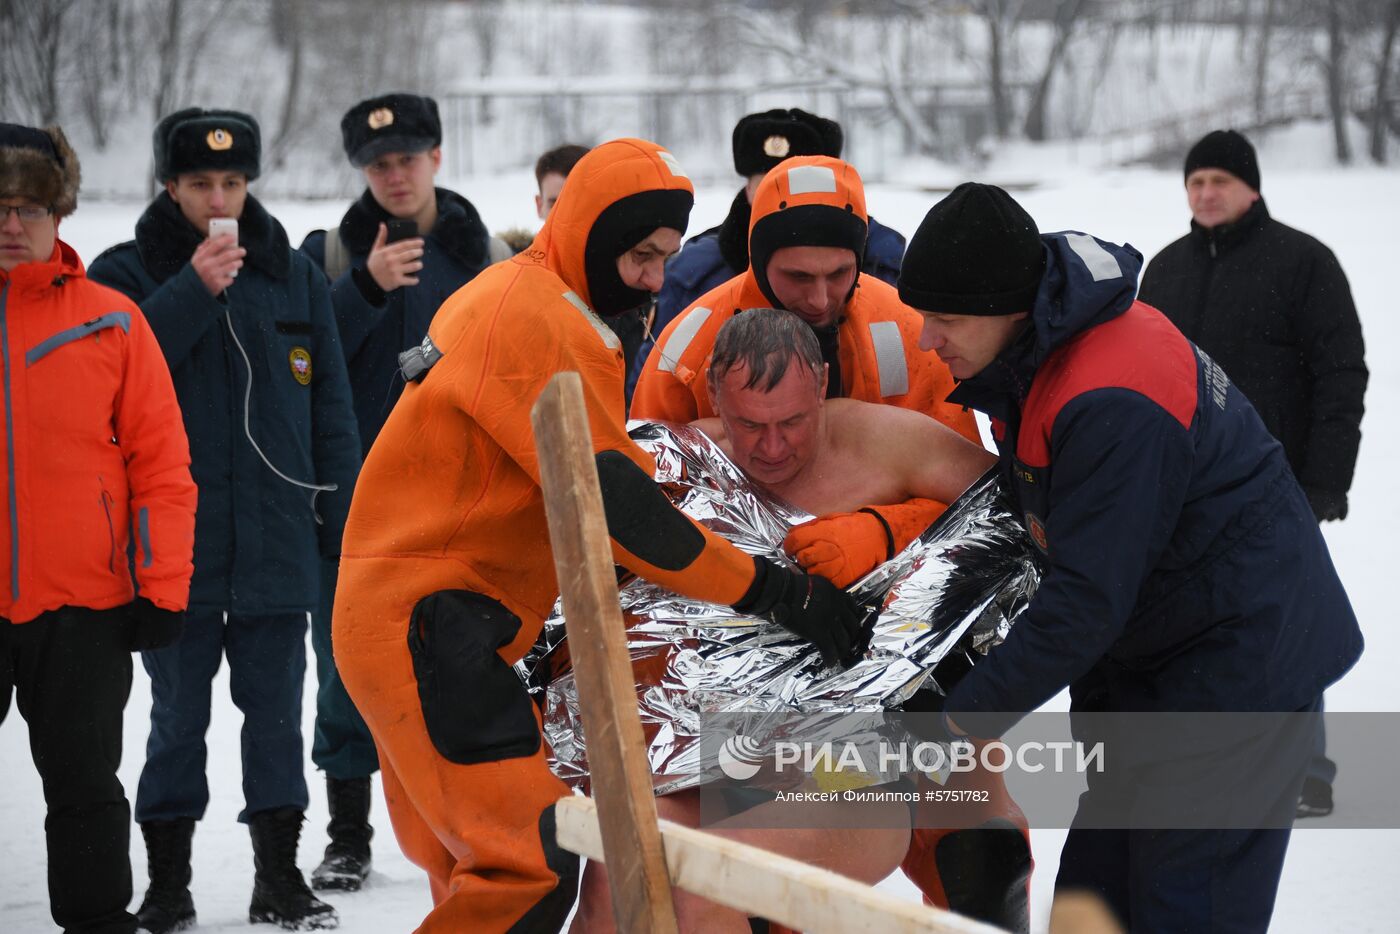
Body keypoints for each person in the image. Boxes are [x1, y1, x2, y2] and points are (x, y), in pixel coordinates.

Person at [332, 138, 865, 932]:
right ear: (589, 232)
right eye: (641, 256)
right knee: (529, 860)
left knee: (476, 867)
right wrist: (775, 591)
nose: (655, 277)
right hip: (427, 621)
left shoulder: (526, 292)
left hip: (421, 620)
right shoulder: (538, 316)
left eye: (667, 258)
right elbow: (618, 506)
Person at [900, 182, 1363, 932]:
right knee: (1097, 909)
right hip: (1159, 669)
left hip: (1237, 678)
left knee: (1183, 907)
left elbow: (1085, 600)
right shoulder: (1045, 352)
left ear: (1007, 306)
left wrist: (959, 725)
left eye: (945, 319)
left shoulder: (1111, 396)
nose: (927, 339)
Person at [89, 108, 360, 933]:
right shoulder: (125, 273)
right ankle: (167, 887)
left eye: (233, 184)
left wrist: (339, 520)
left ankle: (279, 877)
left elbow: (332, 413)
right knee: (176, 723)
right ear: (168, 185)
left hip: (277, 542)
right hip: (176, 553)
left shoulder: (291, 271)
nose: (218, 200)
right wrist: (191, 291)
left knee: (277, 720)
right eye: (200, 183)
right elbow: (107, 384)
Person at [692, 308, 1031, 930]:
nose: (772, 447)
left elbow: (1015, 518)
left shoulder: (886, 439)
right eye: (749, 424)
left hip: (911, 699)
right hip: (763, 734)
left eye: (793, 422)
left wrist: (886, 529)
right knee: (732, 883)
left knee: (983, 856)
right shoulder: (690, 463)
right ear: (714, 394)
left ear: (822, 386)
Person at [298, 91, 512, 892]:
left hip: (459, 508)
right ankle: (348, 834)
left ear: (437, 159)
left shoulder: (483, 251)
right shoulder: (327, 254)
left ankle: (468, 826)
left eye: (408, 160)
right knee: (347, 675)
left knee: (464, 673)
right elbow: (302, 364)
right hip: (354, 508)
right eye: (379, 164)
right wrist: (365, 289)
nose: (395, 176)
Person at [1, 122, 196, 934]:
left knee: (84, 791)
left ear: (60, 212)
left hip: (81, 607)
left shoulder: (111, 321)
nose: (12, 223)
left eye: (29, 206)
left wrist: (162, 586)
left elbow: (160, 467)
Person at [1137, 128, 1367, 818]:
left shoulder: (1303, 262)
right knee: (1192, 626)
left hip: (1280, 484)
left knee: (1284, 625)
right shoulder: (1166, 269)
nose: (1207, 193)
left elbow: (1340, 374)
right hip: (1187, 488)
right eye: (1196, 181)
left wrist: (1327, 479)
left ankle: (1307, 770)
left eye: (1221, 182)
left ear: (1252, 187)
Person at [632, 108, 906, 398]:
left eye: (795, 183)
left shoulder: (880, 260)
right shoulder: (695, 272)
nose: (819, 297)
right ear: (749, 189)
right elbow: (653, 385)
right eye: (767, 183)